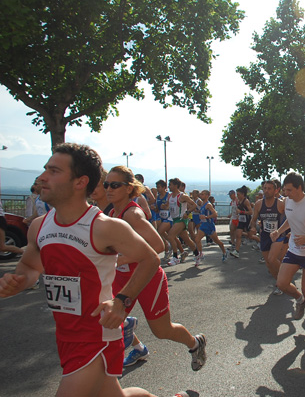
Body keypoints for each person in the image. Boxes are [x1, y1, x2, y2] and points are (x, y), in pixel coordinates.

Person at [0, 143, 162, 397]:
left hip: (96, 336)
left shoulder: (105, 227)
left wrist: (121, 301)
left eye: (53, 171)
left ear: (80, 182)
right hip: (65, 335)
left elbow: (150, 258)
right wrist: (17, 282)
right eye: (45, 170)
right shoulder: (39, 227)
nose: (42, 177)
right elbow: (31, 266)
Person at [105, 166, 207, 370]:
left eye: (115, 185)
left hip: (147, 276)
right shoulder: (111, 211)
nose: (109, 189)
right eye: (106, 184)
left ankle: (196, 344)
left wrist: (122, 259)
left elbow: (159, 246)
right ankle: (138, 348)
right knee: (108, 319)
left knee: (162, 331)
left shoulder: (132, 214)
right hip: (123, 277)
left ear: (128, 188)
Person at [270, 172, 305, 337]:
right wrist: (279, 231)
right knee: (281, 283)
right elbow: (290, 218)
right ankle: (300, 300)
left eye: (289, 190)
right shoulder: (288, 201)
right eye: (285, 190)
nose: (285, 194)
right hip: (294, 249)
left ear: (299, 188)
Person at [249, 179, 285, 294]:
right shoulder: (259, 204)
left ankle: (285, 278)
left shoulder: (280, 203)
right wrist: (253, 227)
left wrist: (286, 231)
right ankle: (279, 283)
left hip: (278, 235)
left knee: (272, 259)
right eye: (265, 188)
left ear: (275, 191)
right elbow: (253, 219)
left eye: (269, 189)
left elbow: (290, 219)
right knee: (268, 264)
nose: (266, 191)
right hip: (265, 235)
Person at [165, 178, 201, 266]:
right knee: (187, 240)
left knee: (170, 236)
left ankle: (175, 257)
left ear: (176, 186)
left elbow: (194, 205)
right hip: (174, 219)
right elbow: (168, 206)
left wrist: (187, 212)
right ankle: (197, 254)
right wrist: (162, 207)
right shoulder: (170, 196)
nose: (169, 186)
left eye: (170, 185)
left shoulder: (182, 196)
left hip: (181, 219)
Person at [193, 190, 227, 265]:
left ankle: (224, 252)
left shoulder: (208, 205)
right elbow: (202, 212)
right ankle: (200, 254)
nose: (201, 195)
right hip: (203, 225)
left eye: (203, 194)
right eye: (201, 194)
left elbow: (215, 214)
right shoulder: (202, 204)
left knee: (217, 241)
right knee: (197, 239)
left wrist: (206, 217)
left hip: (209, 225)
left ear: (207, 196)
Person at [230, 186, 252, 258]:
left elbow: (251, 212)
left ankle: (259, 241)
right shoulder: (238, 201)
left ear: (243, 194)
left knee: (250, 235)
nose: (237, 196)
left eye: (238, 194)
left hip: (247, 220)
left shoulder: (246, 201)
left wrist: (241, 212)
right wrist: (238, 213)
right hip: (241, 220)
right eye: (237, 194)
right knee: (238, 234)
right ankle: (237, 251)